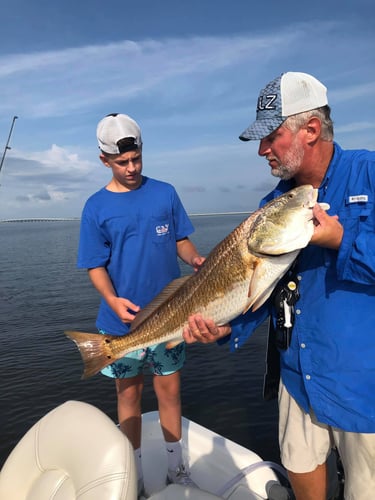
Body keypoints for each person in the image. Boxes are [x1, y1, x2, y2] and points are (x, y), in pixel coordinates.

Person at [182, 72, 375, 500]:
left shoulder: (370, 174)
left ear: (310, 129)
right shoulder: (272, 206)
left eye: (271, 135)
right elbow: (260, 290)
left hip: (363, 386)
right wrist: (227, 329)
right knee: (304, 481)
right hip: (296, 378)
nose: (261, 150)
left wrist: (342, 241)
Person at [77, 113, 205, 496]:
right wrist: (112, 299)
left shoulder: (164, 193)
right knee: (128, 394)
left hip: (172, 316)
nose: (131, 168)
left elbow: (181, 239)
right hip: (120, 323)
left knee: (169, 391)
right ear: (105, 160)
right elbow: (94, 264)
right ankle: (130, 470)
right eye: (122, 162)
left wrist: (195, 259)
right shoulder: (95, 206)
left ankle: (175, 468)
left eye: (136, 159)